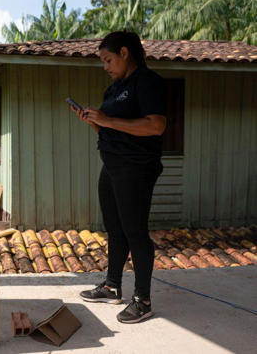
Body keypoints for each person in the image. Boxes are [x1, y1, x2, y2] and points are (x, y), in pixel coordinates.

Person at [70, 31, 167, 324]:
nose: (106, 67)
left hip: (135, 168)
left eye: (108, 60)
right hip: (110, 166)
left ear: (125, 53)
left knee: (135, 232)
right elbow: (112, 129)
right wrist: (94, 122)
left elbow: (156, 126)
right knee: (115, 229)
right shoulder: (113, 90)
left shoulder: (148, 83)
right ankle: (112, 286)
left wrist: (107, 119)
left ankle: (143, 300)